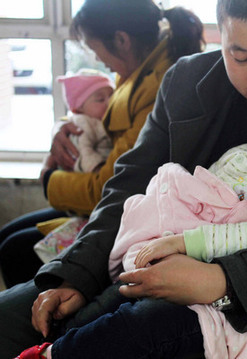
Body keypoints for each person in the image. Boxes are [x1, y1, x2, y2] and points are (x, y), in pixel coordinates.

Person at [0, 0, 247, 358]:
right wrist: (79, 274)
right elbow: (130, 182)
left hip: (234, 308)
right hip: (132, 255)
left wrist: (219, 280)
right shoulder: (186, 81)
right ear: (222, 39)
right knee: (15, 320)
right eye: (239, 55)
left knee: (128, 332)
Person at [18, 103, 247, 358]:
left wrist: (186, 240)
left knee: (140, 322)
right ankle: (61, 340)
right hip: (180, 247)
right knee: (117, 296)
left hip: (218, 281)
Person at [0, 0, 204, 288]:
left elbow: (112, 186)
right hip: (110, 195)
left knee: (15, 250)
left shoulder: (157, 87)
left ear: (122, 39)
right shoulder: (140, 67)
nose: (99, 62)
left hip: (127, 209)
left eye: (97, 51)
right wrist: (64, 127)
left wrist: (48, 179)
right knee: (9, 238)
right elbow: (92, 107)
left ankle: (47, 328)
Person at [32, 69, 115, 264]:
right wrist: (98, 168)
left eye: (111, 95)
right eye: (100, 99)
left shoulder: (95, 119)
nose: (109, 102)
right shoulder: (83, 123)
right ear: (79, 107)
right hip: (85, 177)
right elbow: (84, 153)